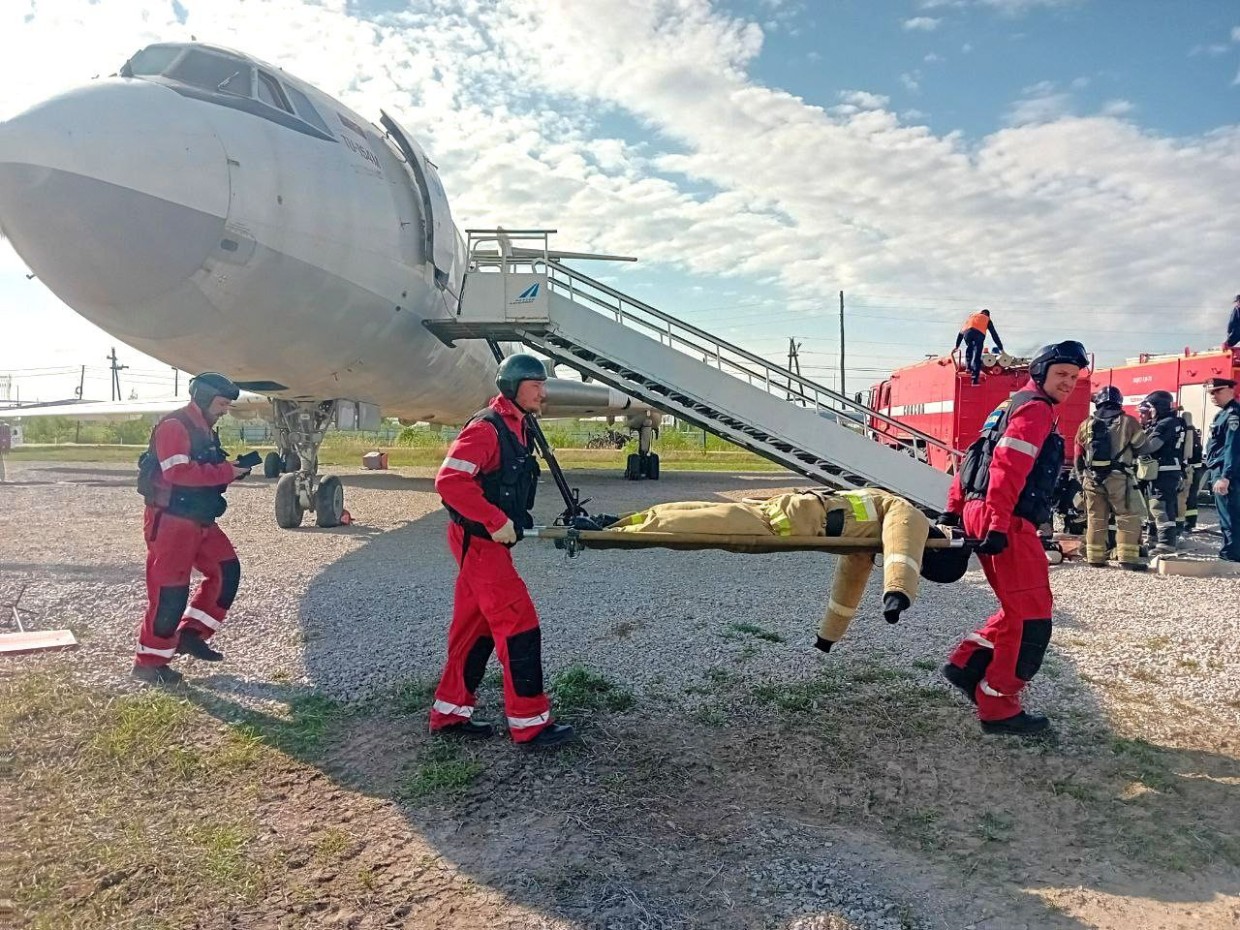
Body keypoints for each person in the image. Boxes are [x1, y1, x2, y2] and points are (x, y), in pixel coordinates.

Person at [604, 487, 971, 651]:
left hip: (795, 510)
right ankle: (606, 531)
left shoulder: (877, 527)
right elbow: (902, 549)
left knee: (701, 513)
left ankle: (615, 522)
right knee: (704, 528)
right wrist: (898, 594)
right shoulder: (911, 518)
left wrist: (828, 637)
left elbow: (851, 580)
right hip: (795, 523)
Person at [939, 340, 1088, 737]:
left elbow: (972, 456)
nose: (1069, 383)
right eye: (1061, 374)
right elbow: (1007, 467)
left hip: (982, 511)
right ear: (1040, 374)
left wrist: (954, 510)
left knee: (1015, 604)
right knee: (1032, 615)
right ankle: (999, 704)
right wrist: (999, 524)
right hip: (1005, 518)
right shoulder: (1036, 410)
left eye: (1074, 377)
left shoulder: (1008, 406)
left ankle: (968, 663)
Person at [428, 353, 575, 749]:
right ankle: (529, 723)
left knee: (473, 629)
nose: (543, 392)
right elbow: (450, 481)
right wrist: (494, 520)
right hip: (479, 542)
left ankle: (449, 712)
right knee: (518, 622)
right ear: (513, 387)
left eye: (543, 384)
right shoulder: (487, 429)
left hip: (486, 542)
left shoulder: (519, 425)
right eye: (536, 385)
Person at [132, 372, 252, 685]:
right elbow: (178, 473)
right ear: (202, 397)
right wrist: (227, 470)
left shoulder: (205, 429)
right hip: (172, 522)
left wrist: (231, 471)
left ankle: (191, 635)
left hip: (199, 519)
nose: (225, 409)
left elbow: (203, 471)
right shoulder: (175, 426)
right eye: (222, 403)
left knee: (227, 572)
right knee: (169, 593)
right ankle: (149, 663)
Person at [1073, 385, 1149, 570]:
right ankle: (1127, 559)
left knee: (1096, 518)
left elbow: (1077, 456)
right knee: (1127, 516)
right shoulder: (1129, 422)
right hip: (1119, 478)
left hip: (1091, 478)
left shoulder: (1084, 425)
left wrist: (1082, 477)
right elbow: (1143, 447)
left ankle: (1095, 558)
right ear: (1119, 402)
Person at [1136, 390, 1185, 554]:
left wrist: (1134, 447)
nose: (1149, 411)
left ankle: (1166, 544)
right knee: (1155, 506)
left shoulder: (1165, 424)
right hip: (1165, 470)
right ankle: (1154, 539)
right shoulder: (1174, 421)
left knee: (1160, 506)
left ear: (1159, 407)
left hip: (1164, 470)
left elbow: (1152, 446)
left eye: (1150, 407)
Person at [1204, 377, 1240, 561]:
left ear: (1231, 390)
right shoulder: (1222, 414)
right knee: (1227, 514)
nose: (1213, 395)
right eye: (1211, 392)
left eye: (1218, 391)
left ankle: (1232, 554)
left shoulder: (1233, 414)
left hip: (1227, 472)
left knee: (1230, 515)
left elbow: (1233, 447)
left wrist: (1225, 476)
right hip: (1220, 469)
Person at [954, 309, 1004, 386]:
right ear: (988, 315)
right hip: (978, 334)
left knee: (969, 348)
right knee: (977, 355)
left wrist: (957, 346)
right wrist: (1000, 348)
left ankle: (968, 368)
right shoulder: (987, 319)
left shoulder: (971, 317)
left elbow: (960, 333)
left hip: (967, 334)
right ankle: (974, 381)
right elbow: (994, 335)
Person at [1176, 410, 1203, 534]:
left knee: (1184, 498)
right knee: (1192, 498)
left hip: (1190, 469)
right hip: (1196, 468)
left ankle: (1186, 524)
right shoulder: (1193, 432)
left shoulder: (1186, 431)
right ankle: (1190, 523)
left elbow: (1187, 453)